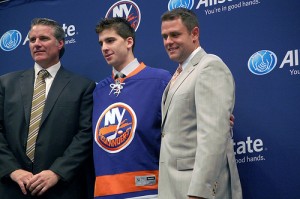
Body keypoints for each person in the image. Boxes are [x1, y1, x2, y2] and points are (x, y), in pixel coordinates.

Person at [0, 18, 95, 199]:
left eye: (43, 38)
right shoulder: (5, 84)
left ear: (60, 43)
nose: (36, 44)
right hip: (12, 188)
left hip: (60, 189)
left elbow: (85, 135)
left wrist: (57, 172)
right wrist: (13, 170)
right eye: (32, 40)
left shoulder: (83, 87)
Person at [158, 8, 242, 199]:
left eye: (175, 35)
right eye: (165, 36)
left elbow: (213, 136)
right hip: (173, 188)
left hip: (196, 191)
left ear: (194, 33)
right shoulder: (179, 73)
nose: (168, 42)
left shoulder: (209, 67)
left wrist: (200, 192)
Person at [92, 17, 171, 199]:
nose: (104, 47)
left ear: (129, 42)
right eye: (101, 43)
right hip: (105, 193)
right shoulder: (97, 91)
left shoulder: (159, 80)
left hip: (149, 191)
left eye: (110, 40)